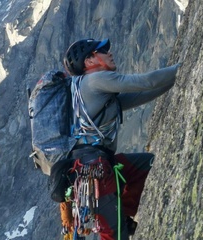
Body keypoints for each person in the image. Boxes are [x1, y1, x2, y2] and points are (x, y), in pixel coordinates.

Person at [63, 38, 180, 240]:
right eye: (102, 50)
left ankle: (122, 214)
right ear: (89, 61)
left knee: (146, 164)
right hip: (97, 174)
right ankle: (118, 220)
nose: (110, 52)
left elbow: (145, 93)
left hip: (94, 168)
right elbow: (145, 82)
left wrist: (176, 77)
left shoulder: (88, 91)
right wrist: (183, 65)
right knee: (115, 236)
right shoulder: (95, 80)